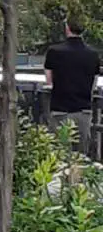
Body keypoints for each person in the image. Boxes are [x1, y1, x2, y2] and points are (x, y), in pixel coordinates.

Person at [44, 17, 100, 157]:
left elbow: (49, 81)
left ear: (67, 28)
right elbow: (94, 83)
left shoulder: (54, 52)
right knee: (80, 155)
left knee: (59, 154)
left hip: (60, 109)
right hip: (83, 110)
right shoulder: (93, 55)